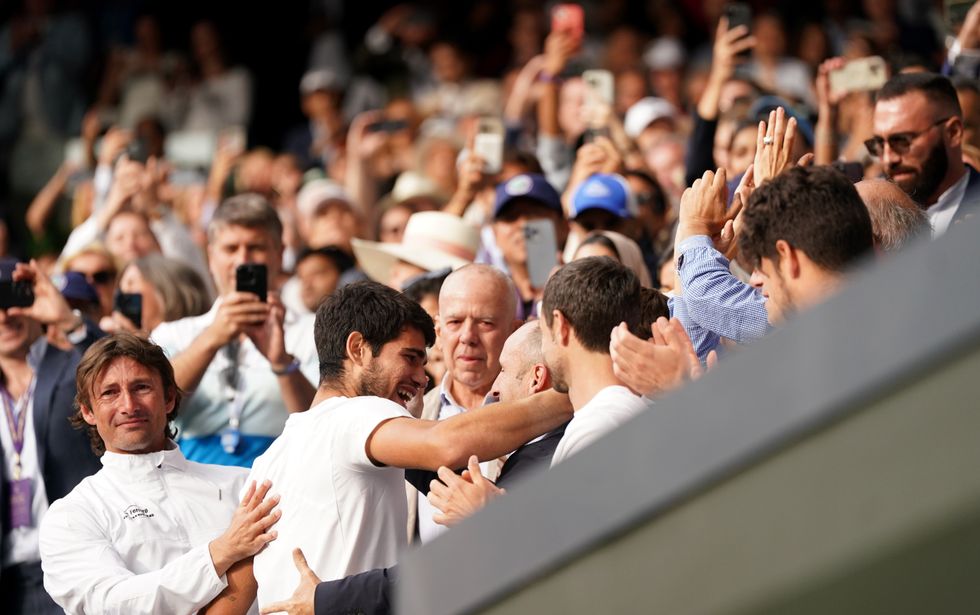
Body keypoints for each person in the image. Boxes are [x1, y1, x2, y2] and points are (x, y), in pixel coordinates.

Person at [246, 281, 571, 607]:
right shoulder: (359, 411)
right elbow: (446, 444)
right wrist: (573, 392)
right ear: (358, 348)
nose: (422, 377)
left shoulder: (272, 455)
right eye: (411, 358)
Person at [38, 333, 280, 615]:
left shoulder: (244, 483)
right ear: (88, 411)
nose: (128, 406)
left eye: (141, 387)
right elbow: (113, 605)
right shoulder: (72, 514)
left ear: (168, 398)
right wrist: (221, 551)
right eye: (110, 393)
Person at [151, 194, 318, 467]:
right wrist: (210, 340)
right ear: (211, 255)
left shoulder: (313, 331)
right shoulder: (173, 334)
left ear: (280, 253)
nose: (244, 260)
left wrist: (282, 363)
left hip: (280, 489)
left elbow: (322, 423)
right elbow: (155, 405)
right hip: (193, 489)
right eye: (231, 249)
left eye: (256, 247)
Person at [0, 261, 102, 615]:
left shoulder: (72, 367)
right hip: (9, 581)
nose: (4, 316)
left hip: (77, 565)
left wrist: (68, 320)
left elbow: (118, 374)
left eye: (11, 300)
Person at [410, 264, 521, 544]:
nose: (468, 337)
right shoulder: (410, 418)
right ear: (437, 331)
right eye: (455, 322)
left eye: (485, 323)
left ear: (514, 331)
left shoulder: (541, 423)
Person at [870, 72, 980, 235]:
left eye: (902, 141)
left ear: (953, 132)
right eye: (879, 143)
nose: (888, 159)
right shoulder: (872, 214)